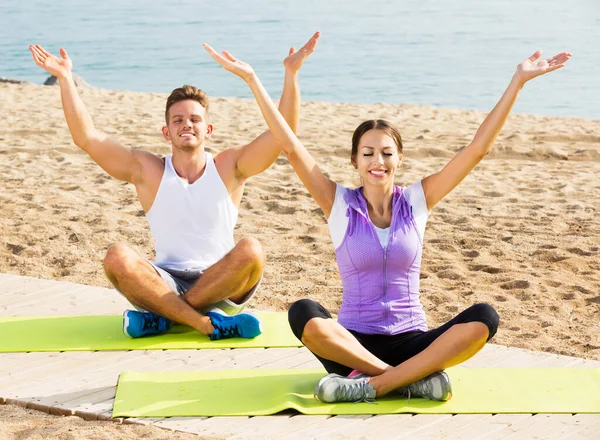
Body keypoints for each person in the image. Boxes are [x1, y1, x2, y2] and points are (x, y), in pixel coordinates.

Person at [203, 42, 571, 401]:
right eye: (368, 153)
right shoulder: (339, 204)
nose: (377, 161)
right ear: (354, 161)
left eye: (386, 152)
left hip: (413, 341)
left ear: (399, 158)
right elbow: (290, 144)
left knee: (484, 317)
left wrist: (517, 82)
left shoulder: (416, 201)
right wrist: (260, 79)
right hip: (352, 346)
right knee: (303, 313)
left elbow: (478, 149)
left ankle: (372, 386)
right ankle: (403, 381)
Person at [28, 31, 320, 340]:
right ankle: (204, 322)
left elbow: (283, 135)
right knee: (117, 256)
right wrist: (65, 78)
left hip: (221, 280)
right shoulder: (147, 170)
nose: (186, 124)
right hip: (163, 281)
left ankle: (168, 317)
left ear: (207, 129)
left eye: (194, 119)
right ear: (167, 132)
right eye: (178, 120)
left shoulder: (230, 166)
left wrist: (291, 74)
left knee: (252, 251)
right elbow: (87, 138)